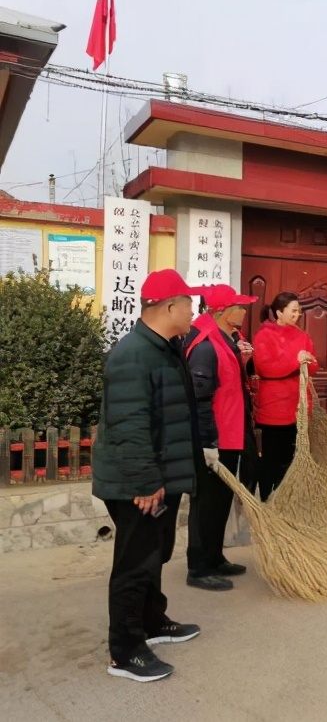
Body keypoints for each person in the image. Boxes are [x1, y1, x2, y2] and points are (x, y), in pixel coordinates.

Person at [92, 268, 207, 682]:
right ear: (170, 306)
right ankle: (125, 651)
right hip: (137, 482)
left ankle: (152, 622)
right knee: (134, 565)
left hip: (161, 474)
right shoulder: (133, 354)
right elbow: (129, 424)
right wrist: (144, 482)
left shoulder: (164, 347)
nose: (193, 310)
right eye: (189, 303)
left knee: (155, 555)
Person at [183, 284, 259, 592]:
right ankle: (198, 567)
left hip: (230, 433)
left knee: (219, 502)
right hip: (213, 438)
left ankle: (214, 557)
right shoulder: (204, 346)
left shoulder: (227, 339)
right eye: (239, 307)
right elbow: (200, 399)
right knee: (206, 504)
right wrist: (206, 443)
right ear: (221, 312)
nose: (243, 311)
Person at [252, 292, 318, 500]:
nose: (297, 315)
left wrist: (306, 361)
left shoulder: (302, 335)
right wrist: (296, 362)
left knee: (291, 459)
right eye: (293, 310)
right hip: (274, 407)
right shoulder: (264, 335)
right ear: (279, 312)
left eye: (299, 311)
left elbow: (314, 365)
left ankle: (285, 500)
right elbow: (266, 368)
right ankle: (265, 500)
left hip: (297, 405)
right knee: (272, 458)